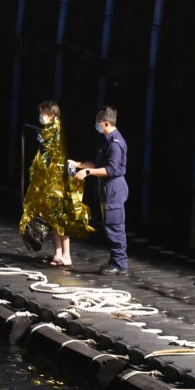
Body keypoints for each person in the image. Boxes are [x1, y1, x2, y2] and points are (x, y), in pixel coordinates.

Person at [19, 100, 94, 268]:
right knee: (51, 218)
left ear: (51, 114)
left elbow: (52, 155)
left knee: (59, 218)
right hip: (49, 180)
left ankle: (66, 254)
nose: (41, 117)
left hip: (56, 181)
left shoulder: (55, 129)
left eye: (43, 114)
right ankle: (58, 252)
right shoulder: (49, 130)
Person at [70, 105, 129, 276]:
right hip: (107, 187)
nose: (97, 126)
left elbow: (110, 169)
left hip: (114, 187)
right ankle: (115, 261)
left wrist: (87, 172)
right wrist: (80, 165)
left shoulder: (116, 143)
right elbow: (98, 161)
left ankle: (119, 263)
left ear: (105, 123)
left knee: (115, 225)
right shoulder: (107, 141)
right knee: (110, 224)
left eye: (98, 123)